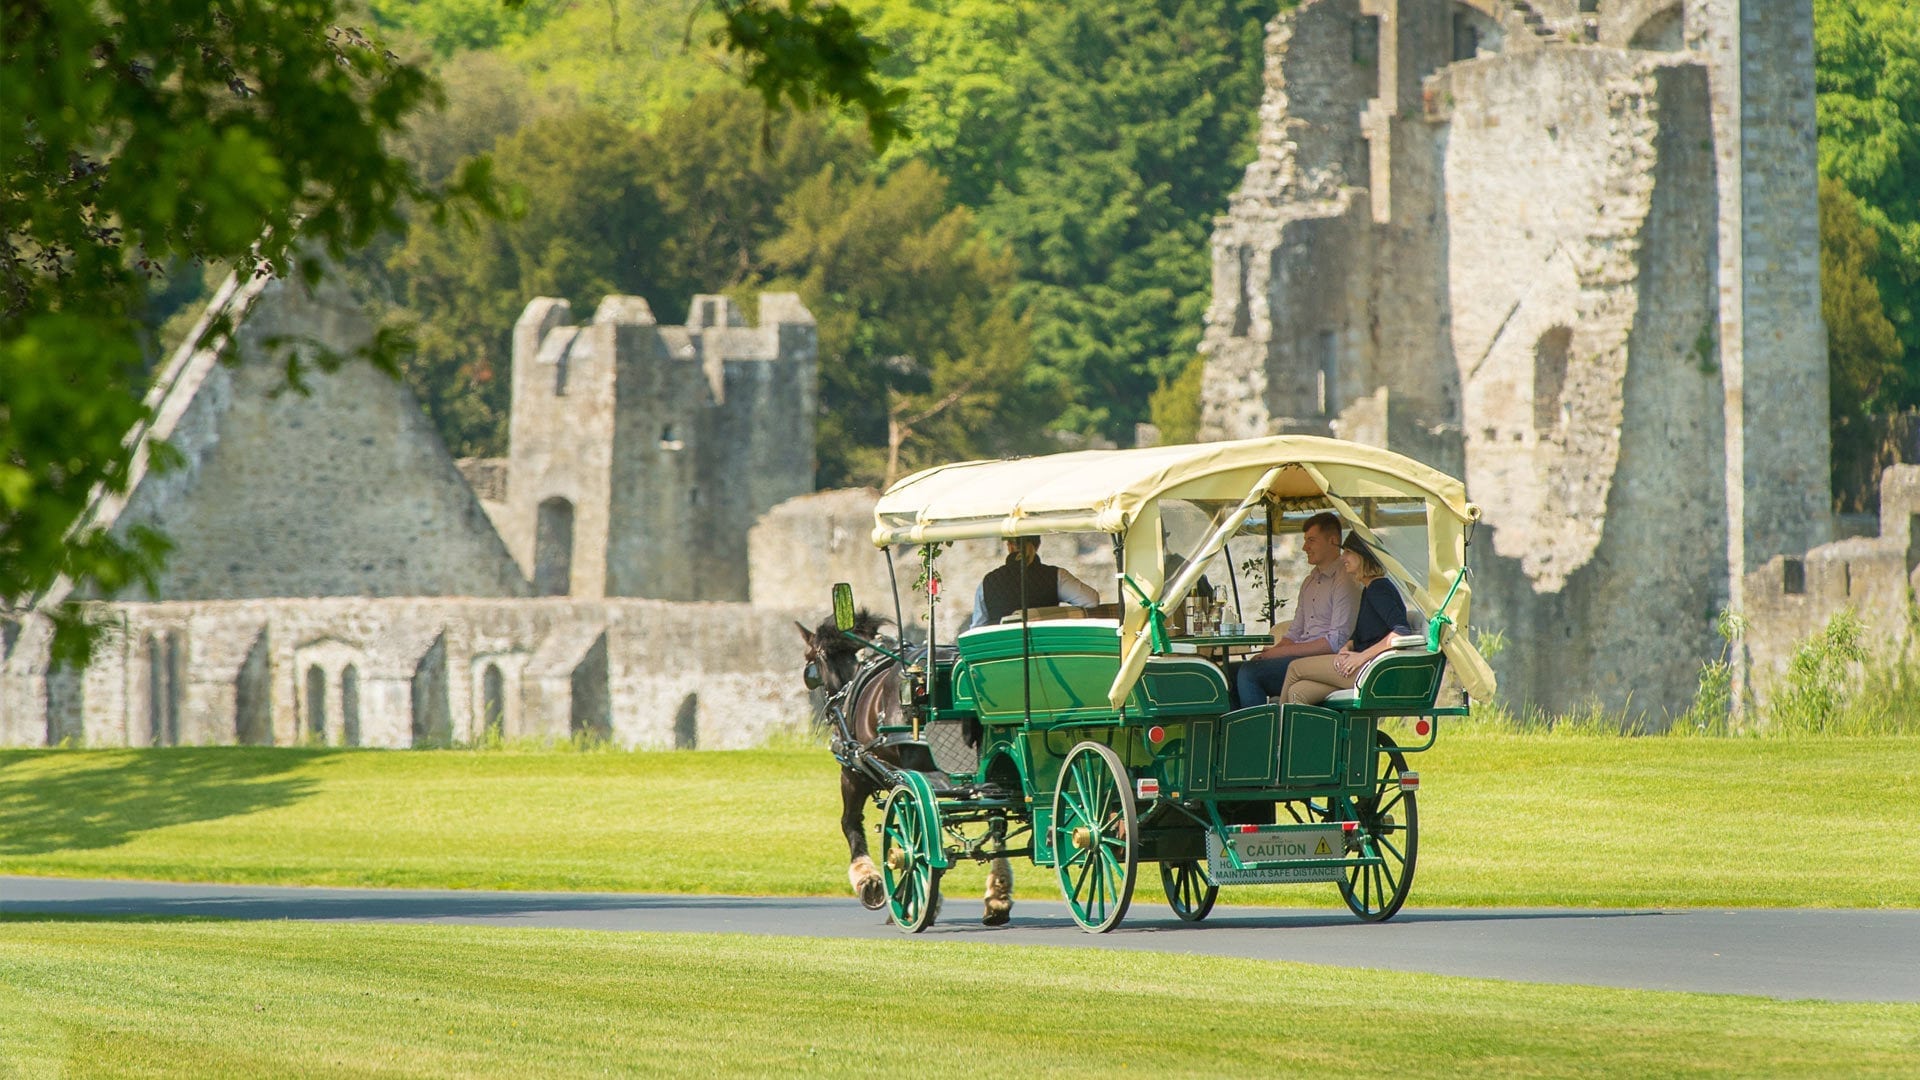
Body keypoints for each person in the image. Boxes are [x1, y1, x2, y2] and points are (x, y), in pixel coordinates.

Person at [1232, 512, 1359, 708]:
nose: (1304, 547)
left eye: (1311, 540)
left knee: (1249, 673)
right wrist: (1273, 651)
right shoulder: (1309, 581)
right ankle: (1233, 734)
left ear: (1333, 541)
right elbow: (1294, 632)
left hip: (1323, 662)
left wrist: (1278, 654)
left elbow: (1335, 642)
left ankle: (1259, 735)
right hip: (1299, 657)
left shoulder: (1344, 580)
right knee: (1231, 672)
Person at [1280, 532, 1413, 705]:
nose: (1343, 558)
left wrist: (1360, 657)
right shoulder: (1369, 588)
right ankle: (1304, 731)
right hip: (1360, 666)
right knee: (1298, 691)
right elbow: (1363, 633)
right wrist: (1347, 646)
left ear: (1363, 556)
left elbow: (1401, 632)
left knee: (1294, 668)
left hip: (1371, 670)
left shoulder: (1379, 589)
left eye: (1348, 552)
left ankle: (1275, 729)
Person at [965, 536, 1100, 630]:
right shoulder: (1056, 576)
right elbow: (1090, 601)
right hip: (1045, 653)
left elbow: (978, 627)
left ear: (1009, 546)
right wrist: (1059, 615)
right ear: (1038, 545)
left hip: (1002, 658)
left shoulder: (987, 582)